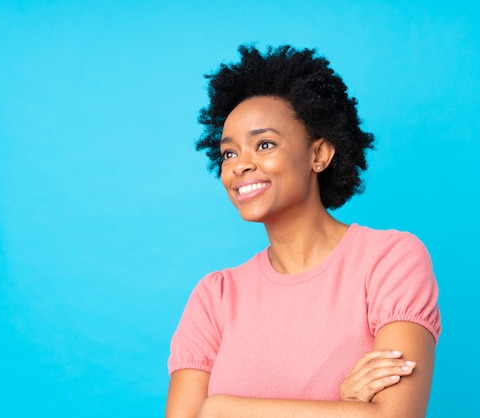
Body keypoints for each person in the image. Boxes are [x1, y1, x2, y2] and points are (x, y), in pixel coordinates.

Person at [166, 44, 441, 418]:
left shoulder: (390, 260)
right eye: (228, 153)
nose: (240, 165)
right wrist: (345, 407)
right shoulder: (214, 298)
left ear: (319, 155)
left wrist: (219, 409)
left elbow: (393, 417)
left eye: (264, 144)